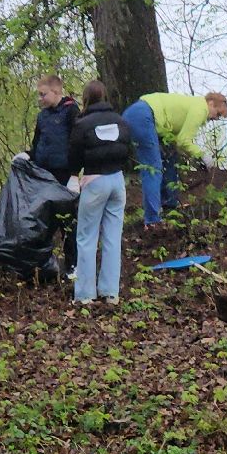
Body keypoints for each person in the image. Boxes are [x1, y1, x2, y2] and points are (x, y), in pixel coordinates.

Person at [66, 79, 134, 305]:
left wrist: (75, 175)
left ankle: (85, 294)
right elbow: (127, 150)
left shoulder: (82, 124)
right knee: (112, 237)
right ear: (105, 97)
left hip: (94, 182)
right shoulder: (121, 121)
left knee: (86, 238)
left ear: (85, 98)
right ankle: (110, 292)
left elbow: (73, 154)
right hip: (117, 181)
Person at [121, 91, 227, 226]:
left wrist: (195, 159)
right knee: (153, 168)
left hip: (139, 114)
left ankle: (169, 205)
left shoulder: (194, 105)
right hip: (143, 116)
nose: (215, 118)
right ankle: (152, 220)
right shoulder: (200, 108)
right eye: (218, 114)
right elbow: (184, 141)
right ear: (211, 104)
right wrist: (203, 156)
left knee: (169, 158)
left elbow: (178, 142)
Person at [25, 74, 80, 282]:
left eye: (43, 94)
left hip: (64, 175)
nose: (40, 99)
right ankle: (43, 267)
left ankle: (73, 265)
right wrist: (28, 155)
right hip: (44, 176)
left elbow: (77, 143)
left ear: (56, 92)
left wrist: (75, 174)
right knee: (44, 221)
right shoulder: (42, 116)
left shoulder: (71, 111)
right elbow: (37, 142)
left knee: (67, 223)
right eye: (39, 94)